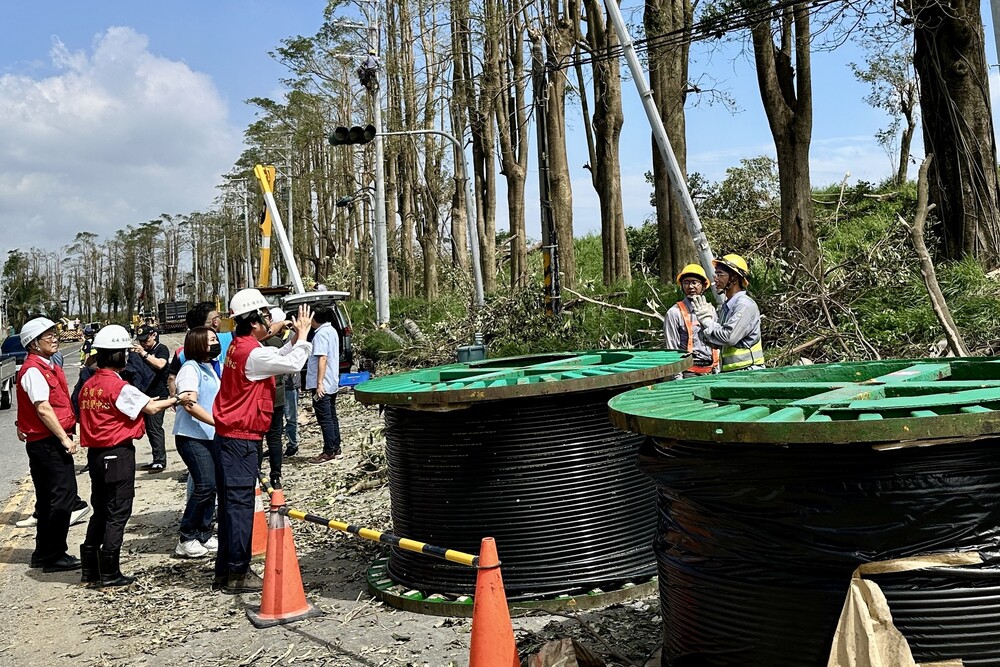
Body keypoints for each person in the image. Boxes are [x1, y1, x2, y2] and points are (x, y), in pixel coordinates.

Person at [212, 289, 312, 593]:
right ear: (254, 320)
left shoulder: (242, 347)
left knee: (231, 507)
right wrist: (304, 337)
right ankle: (238, 574)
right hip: (240, 441)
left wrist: (293, 341)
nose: (270, 320)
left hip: (229, 439)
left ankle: (226, 572)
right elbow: (292, 364)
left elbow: (276, 357)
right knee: (240, 508)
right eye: (266, 315)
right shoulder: (251, 353)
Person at [78, 325, 186, 587]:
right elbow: (149, 407)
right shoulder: (118, 386)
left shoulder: (89, 385)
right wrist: (175, 400)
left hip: (95, 455)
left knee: (100, 510)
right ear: (116, 355)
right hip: (117, 452)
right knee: (119, 511)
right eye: (124, 353)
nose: (127, 357)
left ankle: (90, 568)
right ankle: (110, 570)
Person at [14, 317, 81, 573]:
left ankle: (43, 553)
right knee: (62, 498)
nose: (54, 338)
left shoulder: (45, 366)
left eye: (54, 333)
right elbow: (43, 408)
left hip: (43, 441)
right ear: (33, 344)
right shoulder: (33, 370)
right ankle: (54, 555)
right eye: (47, 336)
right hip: (48, 442)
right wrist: (64, 438)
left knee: (46, 499)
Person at [172, 327, 221, 559]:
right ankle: (186, 537)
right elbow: (189, 403)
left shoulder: (210, 368)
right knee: (204, 485)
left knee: (212, 487)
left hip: (209, 435)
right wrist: (216, 422)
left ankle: (204, 533)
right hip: (192, 436)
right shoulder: (190, 369)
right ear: (199, 344)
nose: (215, 343)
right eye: (211, 340)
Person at [691, 254, 765, 372]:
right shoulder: (727, 306)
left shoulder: (744, 305)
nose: (715, 279)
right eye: (716, 274)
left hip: (748, 373)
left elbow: (729, 338)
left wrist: (708, 322)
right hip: (733, 372)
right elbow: (717, 343)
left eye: (720, 274)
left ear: (734, 278)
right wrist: (704, 324)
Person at [663, 264, 720, 378]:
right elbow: (672, 348)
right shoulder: (674, 312)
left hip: (711, 371)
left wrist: (718, 370)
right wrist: (677, 377)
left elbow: (717, 342)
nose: (690, 286)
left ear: (704, 286)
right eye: (686, 282)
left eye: (694, 282)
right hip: (688, 373)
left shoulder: (710, 310)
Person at [131, 325, 170, 471]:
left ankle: (160, 460)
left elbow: (161, 364)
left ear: (153, 336)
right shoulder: (140, 351)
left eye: (146, 340)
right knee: (148, 427)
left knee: (155, 427)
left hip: (159, 395)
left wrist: (144, 354)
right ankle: (156, 458)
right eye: (141, 341)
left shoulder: (161, 349)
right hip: (144, 395)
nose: (143, 344)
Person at [260, 307, 291, 487]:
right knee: (274, 438)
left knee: (261, 438)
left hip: (264, 398)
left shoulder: (257, 345)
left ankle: (261, 474)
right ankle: (276, 476)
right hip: (276, 396)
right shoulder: (277, 342)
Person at [307, 305, 342, 465]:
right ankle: (335, 447)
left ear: (315, 319)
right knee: (332, 415)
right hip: (332, 380)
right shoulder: (332, 330)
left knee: (325, 418)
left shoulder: (320, 335)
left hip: (323, 382)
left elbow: (322, 358)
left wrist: (319, 383)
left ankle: (329, 450)